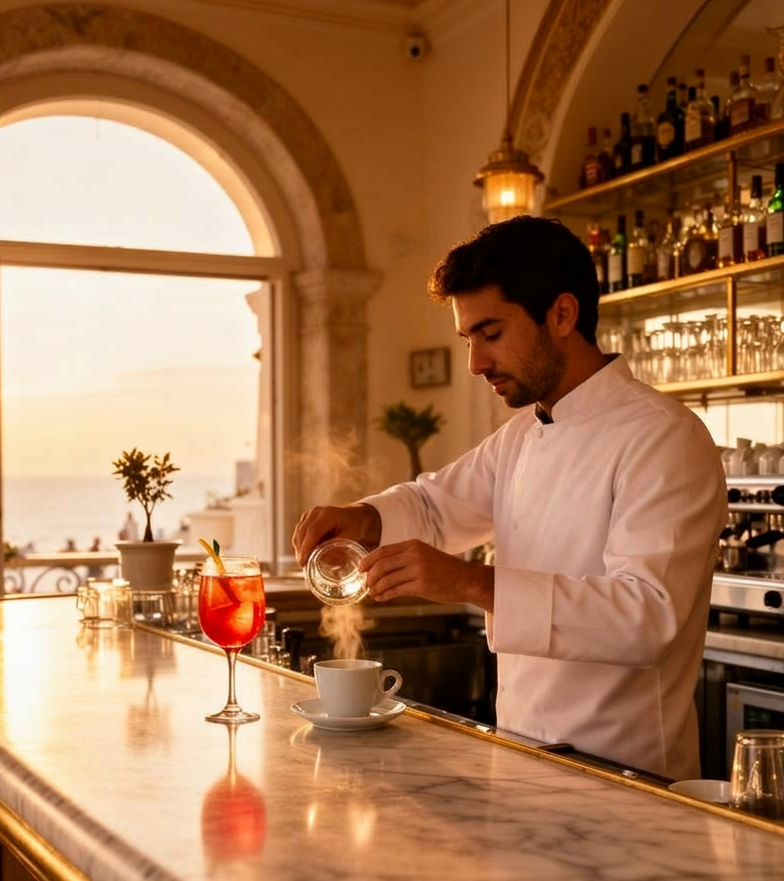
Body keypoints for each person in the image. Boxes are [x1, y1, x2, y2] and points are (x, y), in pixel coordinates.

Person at [292, 216, 726, 780]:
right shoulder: (522, 435)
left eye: (491, 333)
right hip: (520, 760)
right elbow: (434, 506)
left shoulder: (665, 436)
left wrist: (472, 583)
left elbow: (648, 618)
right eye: (468, 338)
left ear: (562, 314)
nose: (475, 363)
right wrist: (365, 517)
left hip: (627, 775)